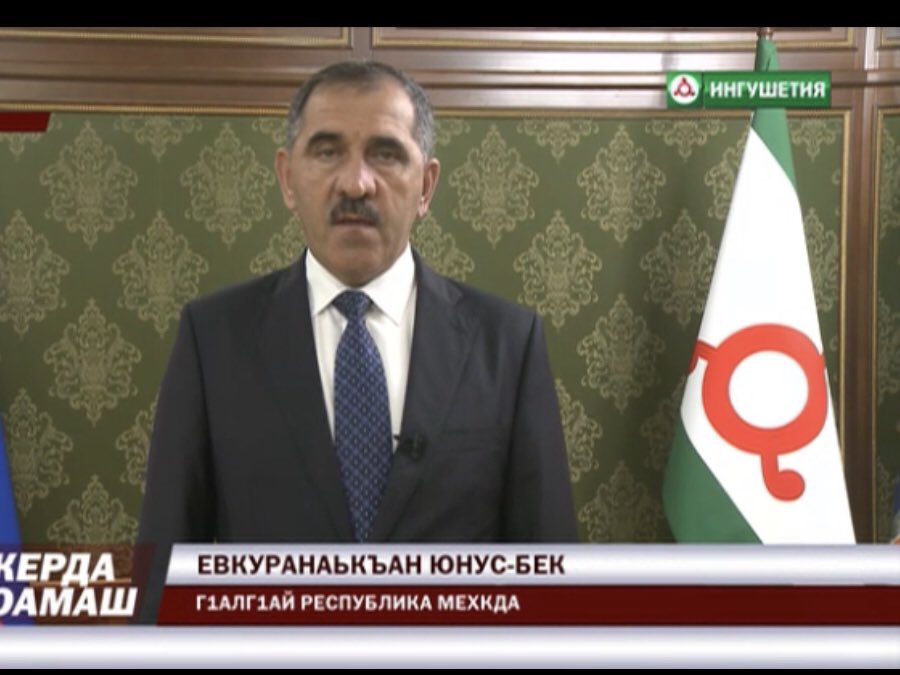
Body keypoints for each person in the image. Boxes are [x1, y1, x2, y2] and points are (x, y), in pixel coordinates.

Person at [137, 60, 576, 622]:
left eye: (386, 154)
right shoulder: (213, 339)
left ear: (426, 185)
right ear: (287, 179)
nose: (355, 183)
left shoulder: (507, 344)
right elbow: (165, 580)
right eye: (327, 152)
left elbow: (548, 577)